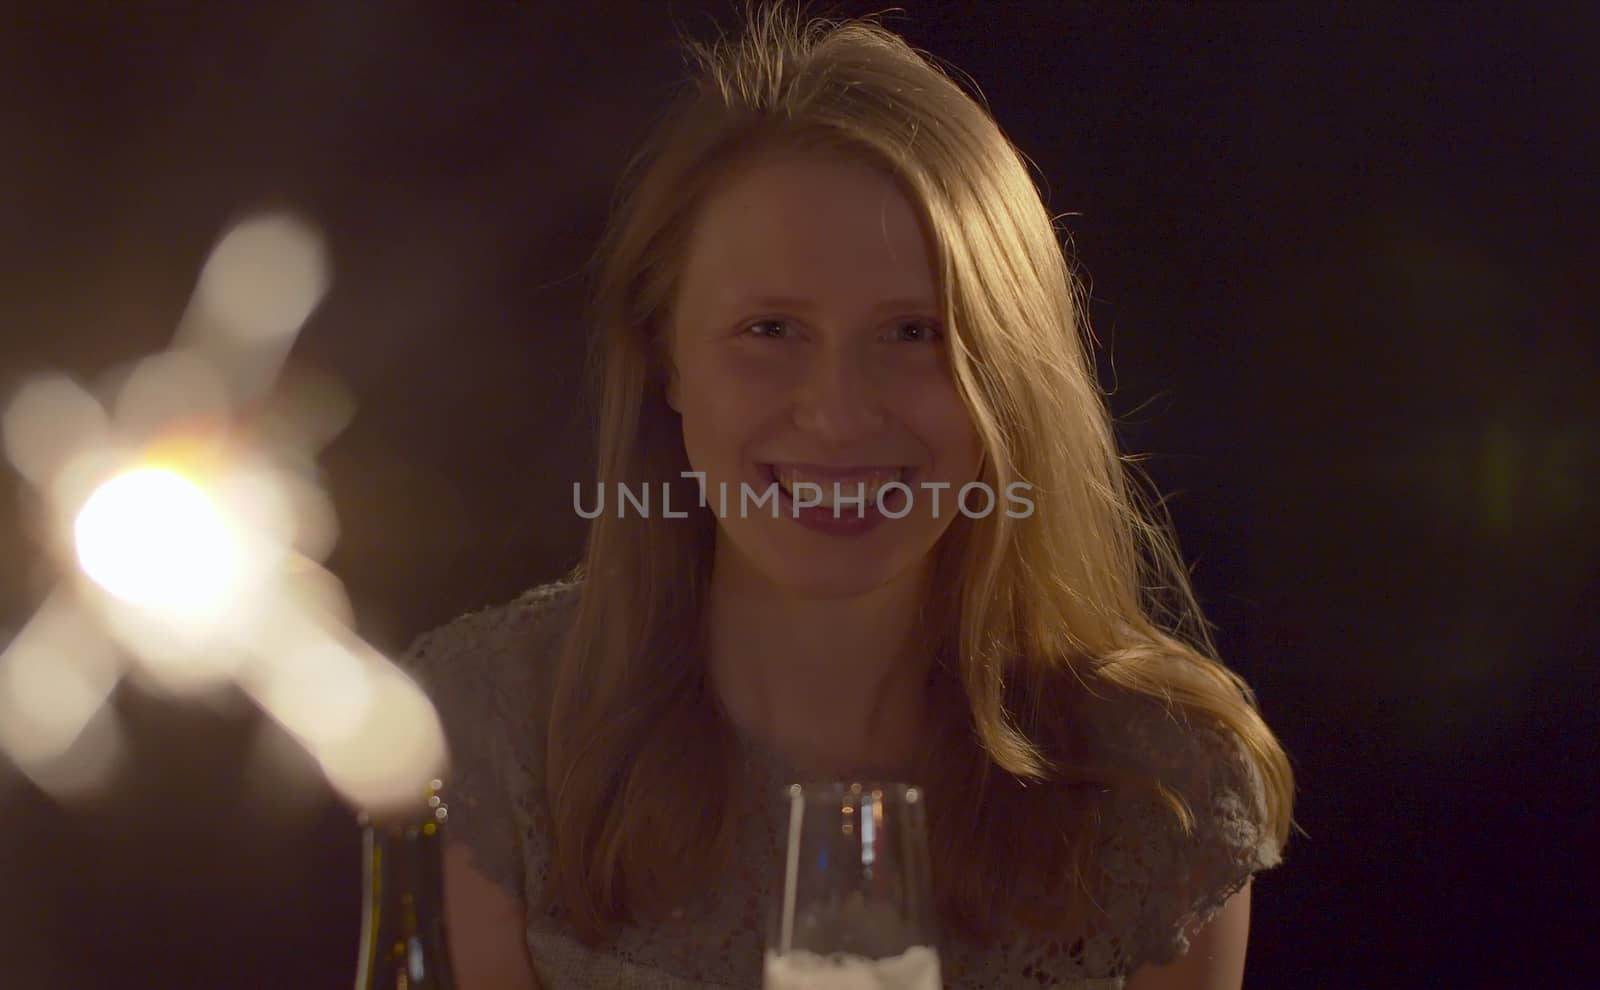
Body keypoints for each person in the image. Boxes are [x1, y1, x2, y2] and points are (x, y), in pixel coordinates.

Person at [399, 4, 1297, 988]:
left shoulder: (1158, 782)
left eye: (913, 333)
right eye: (770, 329)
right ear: (665, 361)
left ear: (1008, 370)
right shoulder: (492, 729)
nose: (837, 415)